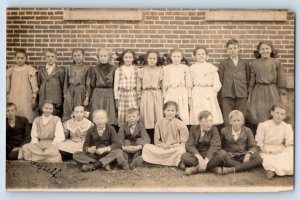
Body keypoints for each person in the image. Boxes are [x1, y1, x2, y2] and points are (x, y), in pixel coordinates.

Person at [246, 41, 287, 132]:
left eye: (267, 48)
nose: (265, 51)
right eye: (262, 49)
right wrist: (250, 90)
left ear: (271, 50)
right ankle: (259, 135)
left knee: (272, 111)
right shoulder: (254, 63)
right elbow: (252, 78)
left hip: (272, 90)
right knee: (259, 113)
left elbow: (281, 78)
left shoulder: (276, 62)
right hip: (258, 91)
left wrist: (282, 91)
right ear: (259, 51)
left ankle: (272, 134)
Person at [214, 110, 262, 175]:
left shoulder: (247, 130)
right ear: (230, 122)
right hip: (230, 157)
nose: (236, 123)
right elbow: (220, 146)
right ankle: (246, 167)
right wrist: (226, 155)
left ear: (242, 122)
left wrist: (248, 154)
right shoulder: (224, 131)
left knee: (259, 159)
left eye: (238, 120)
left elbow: (253, 146)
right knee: (222, 159)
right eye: (234, 121)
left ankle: (231, 169)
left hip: (243, 155)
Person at [142, 101, 189, 168]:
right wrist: (163, 145)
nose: (170, 113)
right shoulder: (159, 122)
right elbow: (156, 141)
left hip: (175, 148)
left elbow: (184, 143)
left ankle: (158, 162)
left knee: (181, 150)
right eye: (168, 110)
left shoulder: (181, 124)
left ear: (176, 112)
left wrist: (172, 147)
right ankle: (173, 162)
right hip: (163, 148)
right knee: (146, 147)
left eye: (172, 110)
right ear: (164, 111)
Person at [255, 104, 293, 179]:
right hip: (267, 148)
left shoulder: (287, 126)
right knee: (268, 158)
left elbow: (289, 143)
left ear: (285, 116)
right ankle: (272, 170)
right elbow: (259, 143)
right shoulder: (263, 125)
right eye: (277, 113)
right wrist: (265, 151)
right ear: (272, 113)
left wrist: (283, 151)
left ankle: (276, 170)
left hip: (280, 149)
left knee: (290, 154)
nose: (279, 116)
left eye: (282, 114)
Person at [181, 110, 223, 175]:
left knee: (222, 154)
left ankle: (195, 169)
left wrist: (205, 161)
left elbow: (214, 146)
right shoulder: (193, 128)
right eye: (206, 121)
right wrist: (199, 158)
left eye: (210, 120)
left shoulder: (214, 129)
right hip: (198, 154)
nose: (209, 123)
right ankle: (212, 168)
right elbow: (189, 145)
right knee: (184, 156)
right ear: (200, 122)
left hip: (210, 154)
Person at [218, 39, 250, 126]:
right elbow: (220, 79)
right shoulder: (223, 63)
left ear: (238, 49)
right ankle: (228, 137)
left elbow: (247, 78)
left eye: (235, 48)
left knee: (241, 115)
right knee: (228, 116)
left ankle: (240, 136)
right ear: (227, 50)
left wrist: (246, 91)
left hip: (241, 92)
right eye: (230, 48)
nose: (233, 50)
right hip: (227, 92)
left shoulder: (244, 63)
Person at [189, 46, 223, 125]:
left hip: (208, 92)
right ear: (195, 56)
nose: (201, 56)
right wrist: (190, 96)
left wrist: (214, 93)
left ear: (207, 56)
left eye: (203, 54)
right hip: (197, 91)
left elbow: (216, 82)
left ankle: (209, 130)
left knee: (209, 112)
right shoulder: (192, 68)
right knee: (198, 112)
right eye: (198, 54)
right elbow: (189, 83)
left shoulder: (211, 68)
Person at [6, 48, 39, 123]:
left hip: (26, 96)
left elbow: (34, 85)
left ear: (26, 58)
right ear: (14, 58)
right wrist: (7, 95)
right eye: (17, 58)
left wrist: (34, 96)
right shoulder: (11, 70)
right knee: (14, 111)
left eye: (22, 58)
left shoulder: (29, 69)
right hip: (14, 95)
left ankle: (26, 129)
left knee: (26, 113)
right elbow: (7, 85)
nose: (20, 60)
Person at [162, 48, 192, 124]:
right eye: (174, 56)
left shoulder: (185, 68)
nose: (176, 58)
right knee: (170, 109)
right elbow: (164, 84)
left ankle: (183, 129)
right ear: (171, 57)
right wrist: (164, 96)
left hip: (182, 91)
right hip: (171, 91)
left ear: (181, 57)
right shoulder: (167, 68)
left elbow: (188, 84)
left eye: (178, 56)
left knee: (182, 111)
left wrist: (189, 96)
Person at [89, 48, 117, 125]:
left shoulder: (113, 68)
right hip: (98, 93)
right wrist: (90, 96)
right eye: (101, 56)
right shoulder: (95, 69)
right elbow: (92, 84)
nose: (103, 58)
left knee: (108, 112)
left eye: (105, 56)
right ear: (98, 57)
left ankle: (108, 130)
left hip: (109, 93)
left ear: (109, 57)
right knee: (97, 111)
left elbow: (115, 83)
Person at [114, 49, 141, 126]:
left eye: (130, 57)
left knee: (133, 112)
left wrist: (138, 97)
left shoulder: (137, 70)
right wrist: (116, 98)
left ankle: (133, 131)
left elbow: (138, 85)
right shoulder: (119, 70)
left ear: (133, 58)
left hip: (133, 94)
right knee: (123, 114)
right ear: (123, 58)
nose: (128, 59)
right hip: (122, 95)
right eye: (126, 57)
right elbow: (116, 86)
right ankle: (123, 131)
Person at [138, 49, 164, 129]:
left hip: (157, 93)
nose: (152, 60)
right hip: (146, 94)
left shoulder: (160, 70)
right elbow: (139, 85)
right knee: (146, 114)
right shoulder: (142, 71)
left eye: (154, 59)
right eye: (150, 58)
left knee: (157, 114)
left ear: (157, 60)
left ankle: (157, 134)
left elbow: (162, 85)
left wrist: (163, 97)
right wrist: (139, 97)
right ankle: (147, 135)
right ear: (147, 59)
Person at [63, 48, 90, 122]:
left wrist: (87, 97)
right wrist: (65, 93)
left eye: (79, 55)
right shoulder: (69, 68)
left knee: (80, 110)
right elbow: (66, 81)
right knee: (68, 109)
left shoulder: (87, 68)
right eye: (75, 55)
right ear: (72, 57)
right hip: (71, 90)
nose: (77, 57)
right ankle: (67, 131)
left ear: (83, 56)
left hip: (81, 91)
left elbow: (88, 83)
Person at [37, 48, 65, 117]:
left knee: (55, 118)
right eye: (48, 57)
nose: (50, 58)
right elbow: (39, 83)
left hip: (55, 99)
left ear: (56, 58)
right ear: (45, 58)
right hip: (44, 98)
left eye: (52, 57)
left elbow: (62, 85)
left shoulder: (60, 71)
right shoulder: (41, 71)